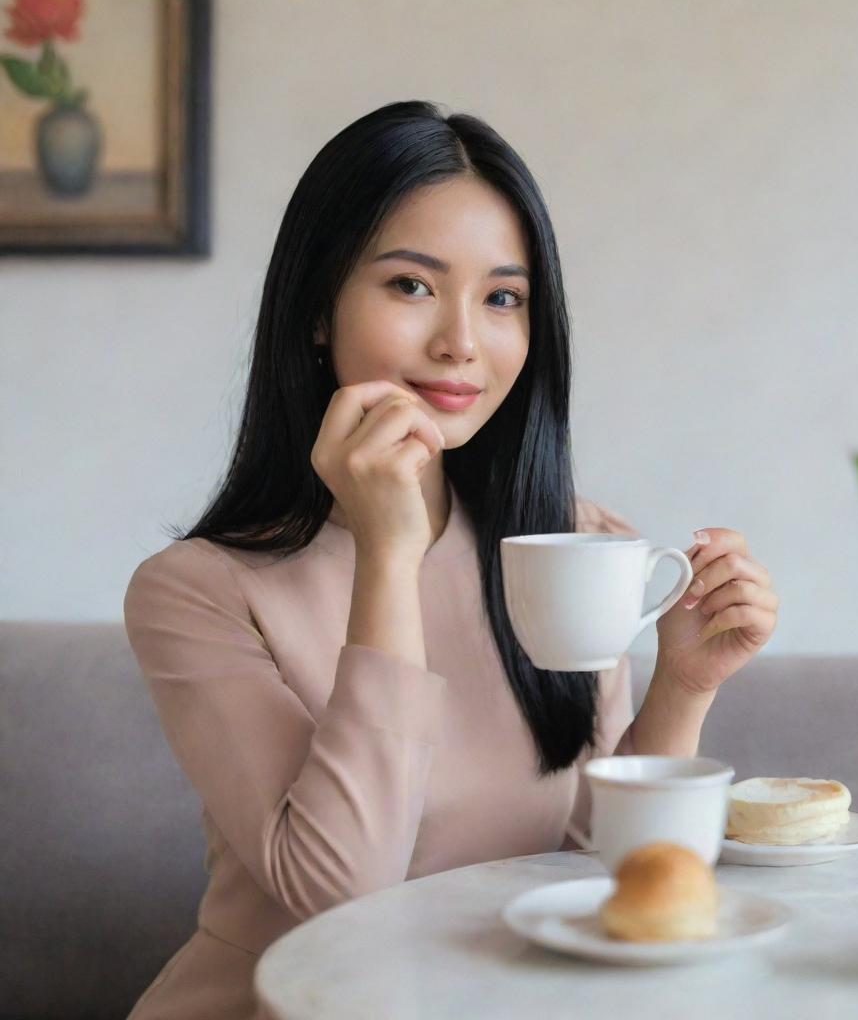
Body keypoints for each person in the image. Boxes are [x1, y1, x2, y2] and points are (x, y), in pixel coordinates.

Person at [122, 99, 779, 1019]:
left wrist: (684, 684)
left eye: (502, 298)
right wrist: (389, 554)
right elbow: (341, 895)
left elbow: (604, 874)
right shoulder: (198, 592)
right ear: (318, 310)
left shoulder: (573, 545)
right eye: (412, 285)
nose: (463, 343)